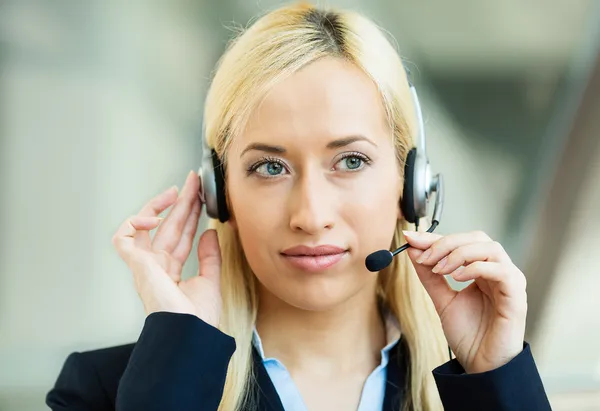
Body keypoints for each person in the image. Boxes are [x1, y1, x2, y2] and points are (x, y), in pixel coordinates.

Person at [46, 2, 551, 410]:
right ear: (219, 193)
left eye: (350, 161)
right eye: (270, 167)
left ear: (411, 184)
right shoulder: (102, 393)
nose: (310, 215)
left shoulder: (476, 387)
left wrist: (495, 383)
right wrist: (177, 366)